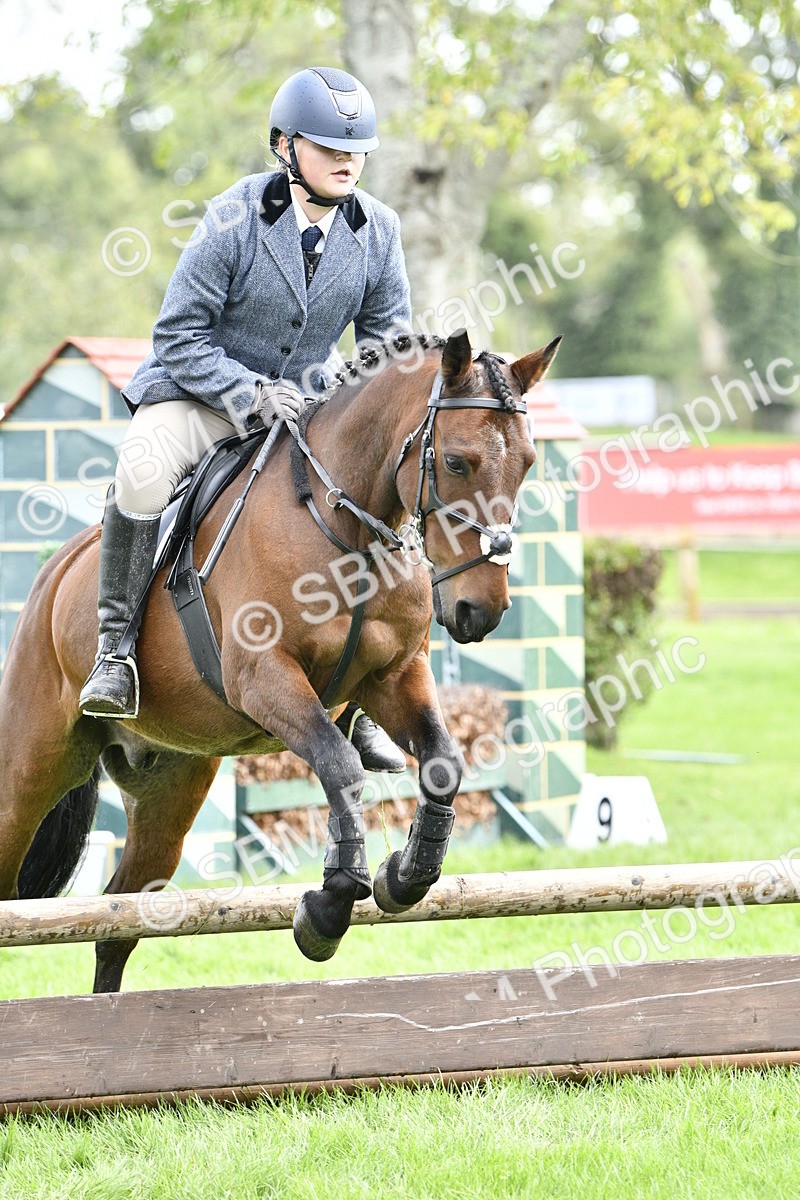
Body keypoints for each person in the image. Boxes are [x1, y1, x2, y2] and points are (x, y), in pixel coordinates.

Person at [79, 66, 411, 772]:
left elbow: (387, 351)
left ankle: (358, 696)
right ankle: (115, 651)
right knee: (140, 473)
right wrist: (251, 393)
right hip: (201, 396)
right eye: (329, 148)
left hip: (304, 412)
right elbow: (178, 335)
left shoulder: (379, 230)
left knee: (370, 494)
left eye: (356, 151)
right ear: (285, 146)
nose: (347, 161)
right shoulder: (234, 216)